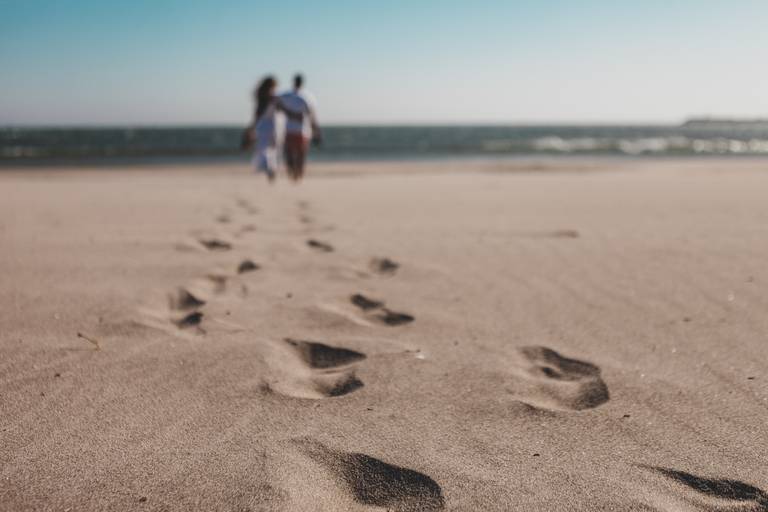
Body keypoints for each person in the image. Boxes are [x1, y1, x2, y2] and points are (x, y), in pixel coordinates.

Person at [247, 76, 304, 182]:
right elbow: (286, 110)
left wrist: (251, 128)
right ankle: (271, 168)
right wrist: (295, 115)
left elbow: (256, 115)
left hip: (263, 127)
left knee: (263, 149)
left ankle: (269, 168)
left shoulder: (261, 98)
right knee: (273, 150)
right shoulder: (273, 99)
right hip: (273, 127)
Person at [280, 74, 321, 182]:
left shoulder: (286, 95)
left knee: (291, 152)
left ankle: (294, 172)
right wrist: (317, 131)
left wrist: (288, 112)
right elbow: (312, 115)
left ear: (294, 82)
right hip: (302, 131)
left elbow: (276, 104)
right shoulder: (307, 96)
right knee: (300, 153)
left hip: (292, 130)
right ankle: (298, 173)